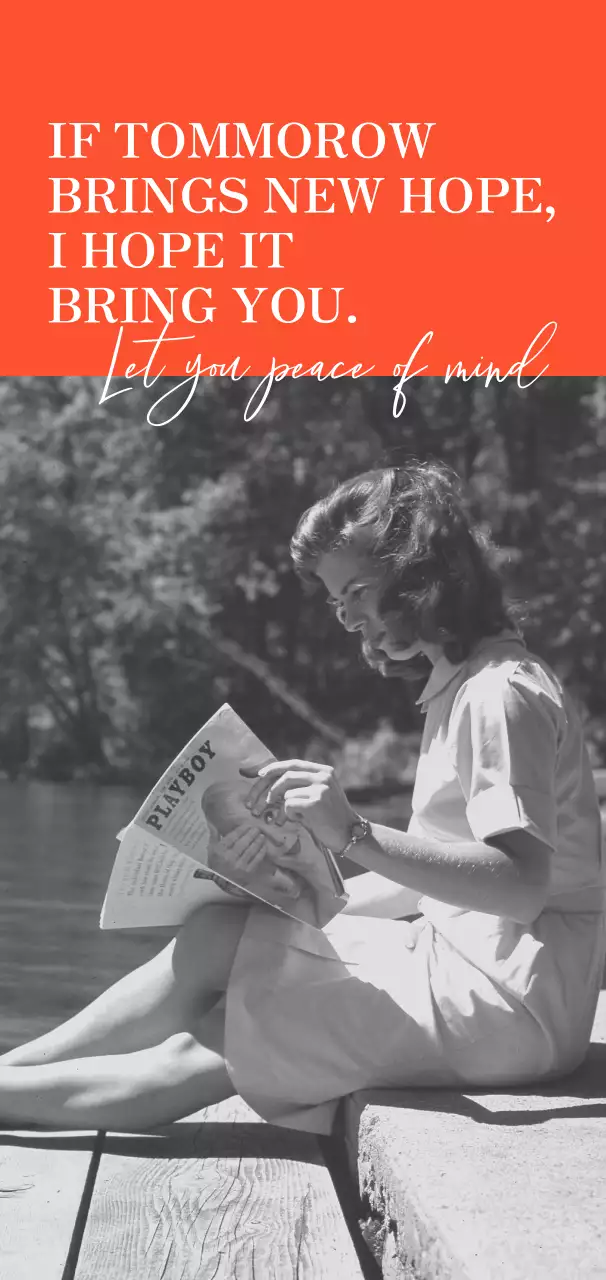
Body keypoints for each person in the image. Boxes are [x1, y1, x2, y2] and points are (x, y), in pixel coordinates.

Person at [1, 461, 604, 1135]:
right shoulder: (461, 684)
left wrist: (350, 833)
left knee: (215, 1040)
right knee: (215, 934)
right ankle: (13, 1072)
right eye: (335, 601)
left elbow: (520, 887)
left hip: (509, 1005)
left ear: (418, 575)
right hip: (463, 960)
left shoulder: (499, 694)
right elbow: (440, 879)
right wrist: (300, 895)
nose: (347, 619)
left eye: (356, 592)